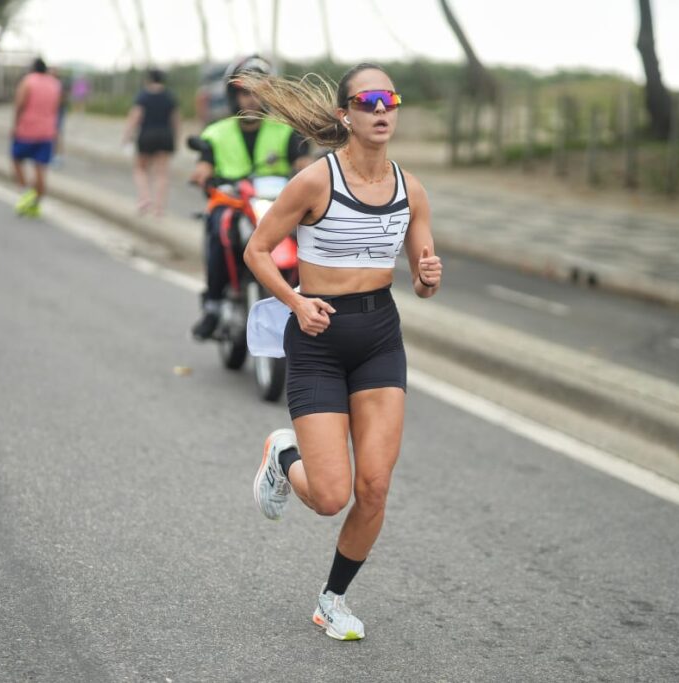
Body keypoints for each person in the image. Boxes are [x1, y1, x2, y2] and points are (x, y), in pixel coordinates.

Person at [242, 63, 442, 640]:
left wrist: (429, 275)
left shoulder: (411, 189)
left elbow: (424, 283)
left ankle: (333, 599)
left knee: (374, 486)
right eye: (368, 101)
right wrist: (296, 303)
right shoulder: (315, 181)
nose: (382, 110)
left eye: (390, 100)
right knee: (331, 497)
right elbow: (258, 250)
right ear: (344, 114)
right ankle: (284, 457)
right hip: (317, 339)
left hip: (379, 337)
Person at [188, 55, 313, 340]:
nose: (251, 100)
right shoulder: (216, 133)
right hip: (233, 203)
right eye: (245, 92)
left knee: (311, 233)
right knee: (219, 227)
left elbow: (305, 164)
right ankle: (214, 305)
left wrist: (313, 171)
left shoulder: (287, 131)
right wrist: (204, 176)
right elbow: (203, 166)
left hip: (276, 207)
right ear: (234, 95)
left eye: (258, 93)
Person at [122, 68, 180, 216]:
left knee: (140, 169)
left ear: (148, 79)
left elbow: (135, 117)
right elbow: (176, 120)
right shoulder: (170, 96)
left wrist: (127, 136)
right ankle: (159, 209)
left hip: (147, 135)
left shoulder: (143, 96)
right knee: (162, 174)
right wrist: (176, 138)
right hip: (166, 135)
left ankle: (145, 198)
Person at [10, 58, 61, 217]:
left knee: (16, 159)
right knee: (41, 168)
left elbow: (19, 105)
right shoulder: (55, 84)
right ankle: (36, 202)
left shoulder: (28, 81)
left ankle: (26, 192)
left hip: (27, 129)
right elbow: (57, 108)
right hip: (47, 131)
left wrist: (15, 125)